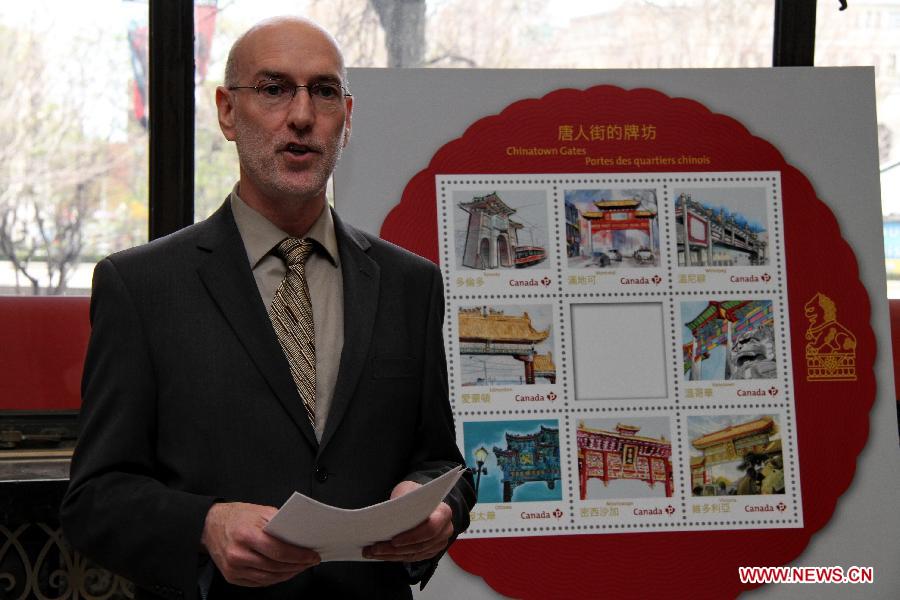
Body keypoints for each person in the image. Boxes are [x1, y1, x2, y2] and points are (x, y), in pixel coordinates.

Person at [60, 16, 474, 599]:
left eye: (324, 92)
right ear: (228, 112)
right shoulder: (141, 287)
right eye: (275, 88)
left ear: (347, 119)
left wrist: (440, 508)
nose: (302, 116)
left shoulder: (410, 283)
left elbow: (438, 459)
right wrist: (205, 525)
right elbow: (94, 498)